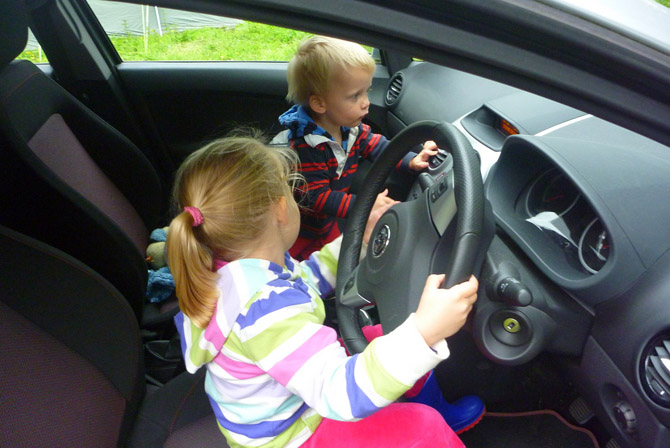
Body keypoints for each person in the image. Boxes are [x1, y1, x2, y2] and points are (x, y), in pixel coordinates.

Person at [168, 135, 482, 448]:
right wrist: (424, 333)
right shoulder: (264, 311)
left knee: (388, 332)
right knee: (424, 429)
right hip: (292, 435)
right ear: (281, 209)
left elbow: (305, 278)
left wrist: (361, 240)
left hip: (291, 404)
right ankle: (439, 428)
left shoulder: (238, 273)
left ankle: (440, 410)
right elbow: (340, 394)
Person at [275, 35, 439, 260]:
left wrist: (411, 159)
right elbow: (318, 197)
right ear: (320, 103)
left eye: (366, 91)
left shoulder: (350, 128)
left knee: (340, 254)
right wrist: (366, 204)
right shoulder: (306, 146)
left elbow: (378, 146)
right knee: (318, 265)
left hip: (329, 219)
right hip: (303, 228)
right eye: (355, 96)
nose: (366, 102)